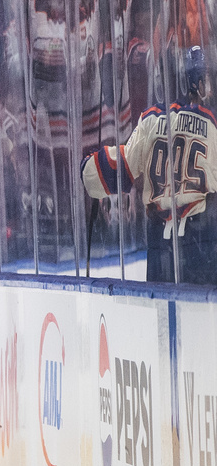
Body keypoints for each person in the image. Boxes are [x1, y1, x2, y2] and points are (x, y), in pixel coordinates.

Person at [81, 46, 217, 286]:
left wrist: (87, 166)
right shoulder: (213, 125)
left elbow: (113, 171)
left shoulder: (152, 120)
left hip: (159, 248)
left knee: (161, 317)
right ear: (198, 82)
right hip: (203, 245)